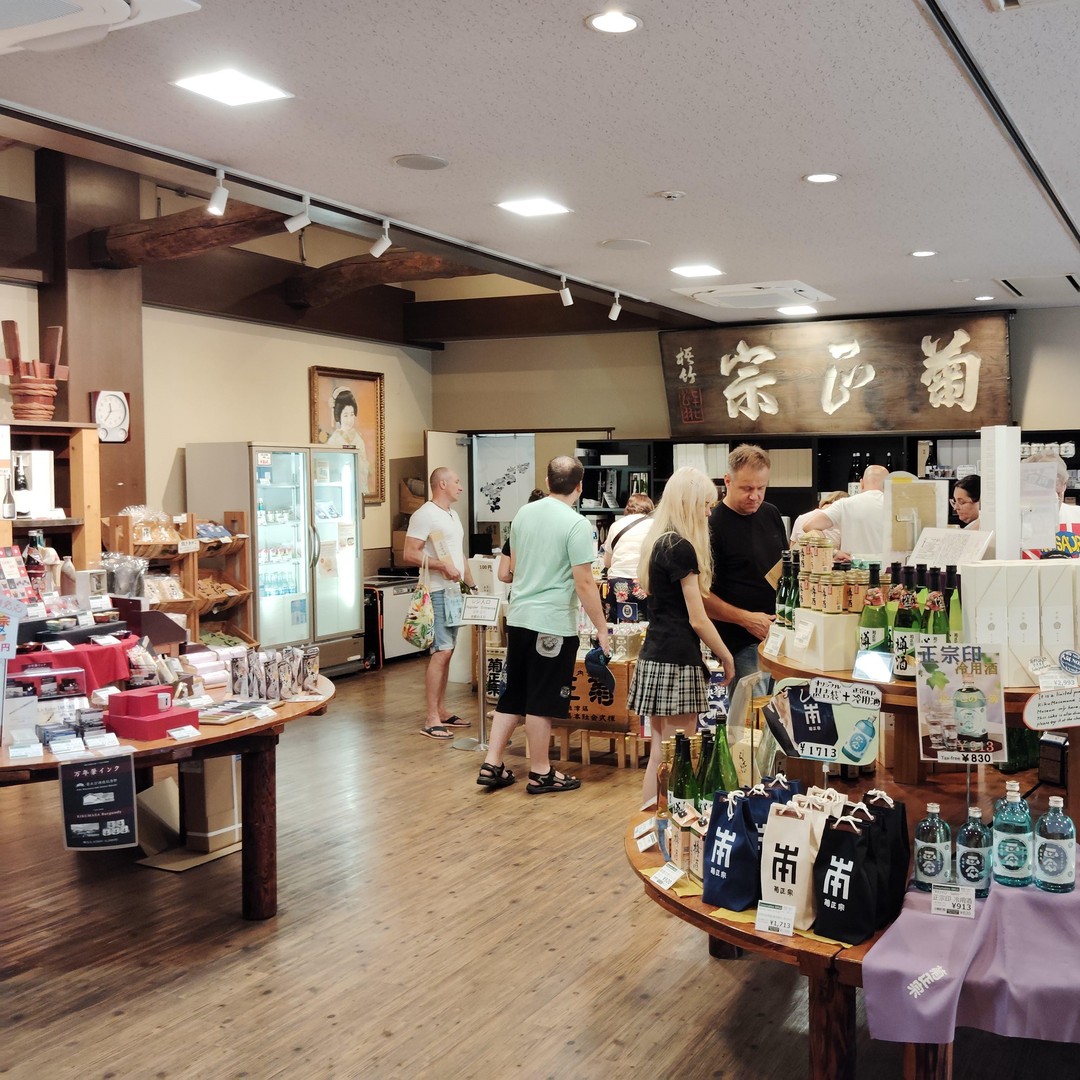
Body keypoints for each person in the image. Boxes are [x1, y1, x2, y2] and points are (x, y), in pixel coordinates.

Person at [477, 456, 610, 793]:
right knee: (541, 697)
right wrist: (602, 627)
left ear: (548, 482)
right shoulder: (577, 524)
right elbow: (584, 582)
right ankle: (540, 771)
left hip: (519, 617)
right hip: (551, 622)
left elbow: (511, 568)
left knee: (515, 692)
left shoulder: (524, 514)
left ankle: (492, 763)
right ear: (580, 487)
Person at [626, 468, 734, 809]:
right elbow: (698, 618)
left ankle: (652, 822)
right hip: (678, 660)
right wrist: (726, 656)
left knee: (660, 752)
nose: (709, 513)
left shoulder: (658, 541)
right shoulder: (681, 547)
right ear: (689, 503)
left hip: (655, 654)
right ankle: (672, 825)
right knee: (678, 756)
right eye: (705, 505)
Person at [702, 445, 788, 687]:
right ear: (727, 481)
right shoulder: (712, 524)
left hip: (778, 636)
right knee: (751, 708)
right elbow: (701, 596)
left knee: (780, 707)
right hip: (740, 642)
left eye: (761, 488)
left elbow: (782, 569)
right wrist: (746, 619)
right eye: (747, 488)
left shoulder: (771, 513)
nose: (755, 496)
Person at [404, 467, 476, 739]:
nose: (460, 486)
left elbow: (459, 555)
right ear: (442, 484)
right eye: (457, 481)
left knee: (448, 651)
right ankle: (431, 717)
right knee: (441, 651)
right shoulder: (425, 514)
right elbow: (410, 553)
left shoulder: (452, 515)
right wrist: (441, 566)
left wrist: (471, 585)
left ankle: (442, 710)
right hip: (436, 590)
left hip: (454, 591)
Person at [799, 464, 888, 559]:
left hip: (852, 566)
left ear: (861, 483)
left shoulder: (844, 504)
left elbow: (808, 527)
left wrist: (833, 552)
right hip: (891, 567)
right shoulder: (897, 506)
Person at [602, 492, 654, 621]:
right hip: (644, 582)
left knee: (617, 625)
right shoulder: (655, 525)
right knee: (646, 624)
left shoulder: (616, 525)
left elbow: (607, 563)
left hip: (617, 582)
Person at [325, 387, 371, 493]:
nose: (349, 419)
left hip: (357, 488)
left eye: (352, 414)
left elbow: (364, 465)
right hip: (339, 489)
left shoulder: (359, 439)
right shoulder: (334, 440)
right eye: (345, 415)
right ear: (338, 416)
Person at [497, 489, 545, 585]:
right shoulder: (553, 536)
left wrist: (514, 576)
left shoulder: (516, 536)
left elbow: (503, 575)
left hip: (520, 590)